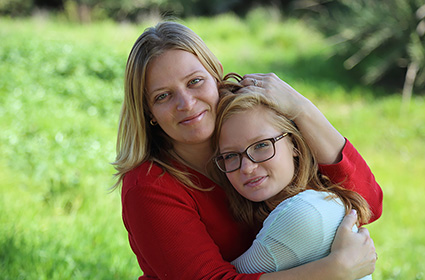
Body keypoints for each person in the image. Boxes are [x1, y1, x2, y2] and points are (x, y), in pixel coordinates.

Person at [113, 21, 383, 279]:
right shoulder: (149, 185)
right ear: (149, 111)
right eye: (163, 96)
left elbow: (367, 203)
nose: (186, 103)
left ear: (215, 73)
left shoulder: (257, 123)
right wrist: (332, 272)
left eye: (195, 81)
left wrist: (302, 108)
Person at [211, 77, 373, 278]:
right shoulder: (320, 199)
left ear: (294, 144)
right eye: (230, 156)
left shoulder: (303, 213)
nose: (247, 167)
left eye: (261, 145)